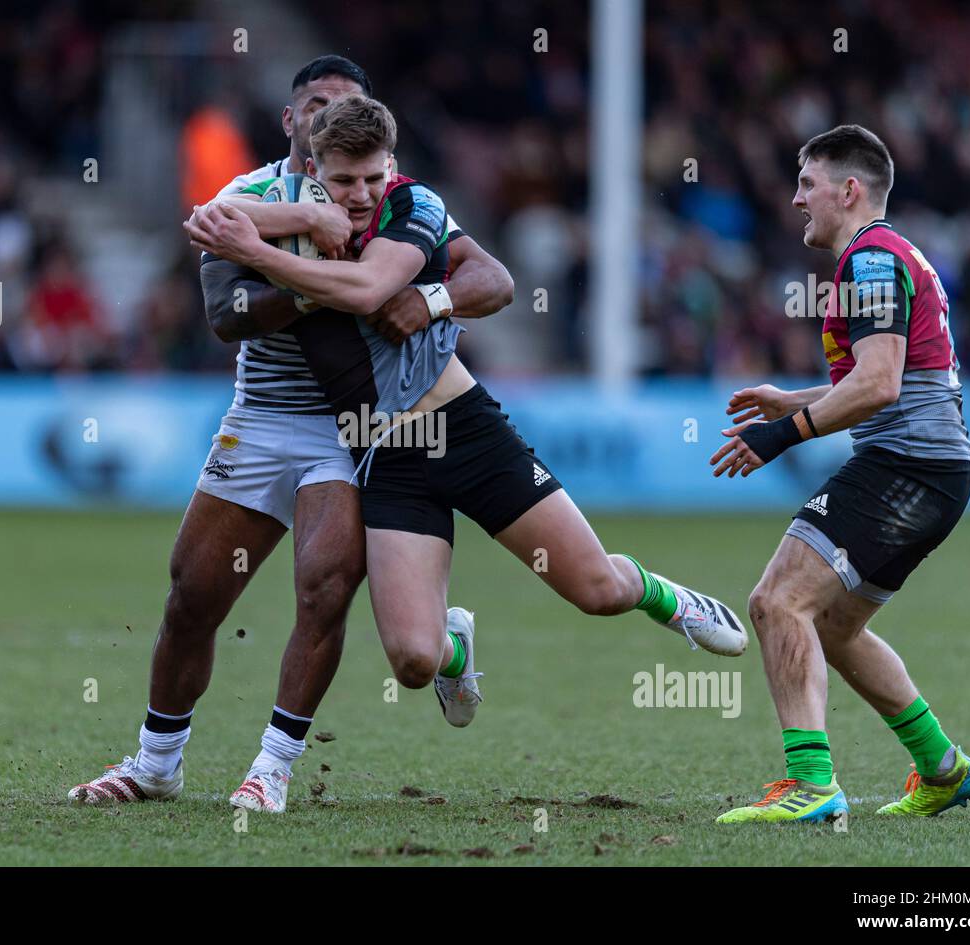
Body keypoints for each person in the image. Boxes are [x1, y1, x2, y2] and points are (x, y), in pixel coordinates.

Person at [186, 94, 748, 747]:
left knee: (595, 590)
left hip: (463, 428)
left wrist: (263, 252)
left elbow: (373, 290)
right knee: (415, 662)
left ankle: (668, 598)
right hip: (385, 455)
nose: (362, 194)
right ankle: (456, 643)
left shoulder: (413, 206)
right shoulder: (292, 208)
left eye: (374, 176)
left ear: (391, 164)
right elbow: (208, 216)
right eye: (343, 183)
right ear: (314, 173)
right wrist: (281, 222)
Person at [68, 57, 513, 814]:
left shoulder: (400, 201)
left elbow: (489, 278)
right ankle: (155, 764)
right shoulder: (251, 195)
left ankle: (271, 768)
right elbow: (223, 312)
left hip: (353, 427)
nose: (331, 117)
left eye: (348, 106)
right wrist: (309, 258)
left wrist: (430, 298)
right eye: (317, 105)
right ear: (292, 120)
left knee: (325, 586)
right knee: (192, 595)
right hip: (262, 419)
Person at [708, 125, 970, 823]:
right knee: (831, 626)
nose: (797, 198)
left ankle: (812, 784)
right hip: (933, 472)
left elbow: (881, 386)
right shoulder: (890, 253)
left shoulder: (869, 259)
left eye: (807, 183)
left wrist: (783, 434)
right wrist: (797, 397)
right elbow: (888, 376)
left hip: (906, 467)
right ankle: (945, 770)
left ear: (849, 190)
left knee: (777, 601)